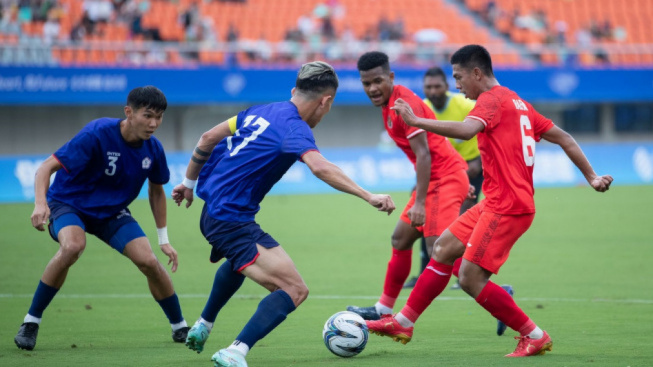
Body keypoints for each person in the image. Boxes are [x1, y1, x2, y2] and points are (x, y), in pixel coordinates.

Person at [366, 44, 613, 357]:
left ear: (477, 73)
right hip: (496, 201)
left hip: (507, 206)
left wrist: (416, 121)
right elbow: (564, 137)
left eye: (458, 77)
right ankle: (403, 321)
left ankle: (534, 335)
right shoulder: (518, 102)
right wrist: (591, 176)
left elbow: (467, 131)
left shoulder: (491, 100)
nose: (456, 85)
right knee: (442, 248)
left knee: (469, 278)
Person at [171, 61, 395, 367]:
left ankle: (204, 324)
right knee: (294, 289)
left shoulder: (258, 111)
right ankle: (235, 351)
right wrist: (368, 195)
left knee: (240, 263)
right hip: (230, 219)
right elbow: (320, 167)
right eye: (328, 107)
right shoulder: (294, 128)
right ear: (325, 101)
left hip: (212, 210)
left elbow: (207, 138)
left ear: (294, 91)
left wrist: (187, 183)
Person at [14, 86, 189, 351]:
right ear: (128, 112)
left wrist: (163, 239)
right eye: (148, 115)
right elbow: (45, 168)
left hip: (110, 212)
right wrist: (40, 204)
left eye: (159, 117)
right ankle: (31, 321)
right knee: (72, 246)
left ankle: (180, 327)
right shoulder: (97, 134)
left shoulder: (153, 149)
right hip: (69, 204)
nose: (154, 123)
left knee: (149, 261)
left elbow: (156, 191)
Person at [346, 51, 471, 322]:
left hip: (443, 179)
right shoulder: (389, 105)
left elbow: (424, 154)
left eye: (378, 81)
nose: (372, 88)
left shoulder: (405, 104)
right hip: (444, 177)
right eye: (366, 83)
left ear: (390, 77)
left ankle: (496, 291)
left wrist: (421, 201)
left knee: (440, 250)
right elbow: (433, 147)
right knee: (400, 239)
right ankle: (384, 309)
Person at [403, 66, 516, 336]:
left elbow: (475, 130)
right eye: (428, 87)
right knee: (421, 233)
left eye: (438, 85)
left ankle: (472, 282)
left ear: (445, 85)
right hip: (441, 173)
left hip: (469, 170)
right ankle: (424, 277)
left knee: (448, 235)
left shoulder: (461, 102)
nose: (433, 91)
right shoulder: (424, 107)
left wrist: (473, 162)